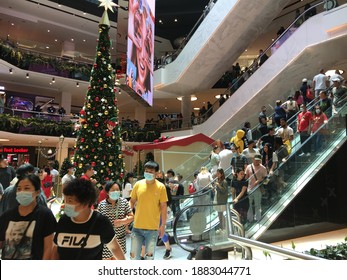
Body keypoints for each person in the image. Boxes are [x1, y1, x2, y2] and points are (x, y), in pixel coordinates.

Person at [51, 178, 125, 260]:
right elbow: (55, 249)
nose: (65, 204)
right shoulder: (64, 220)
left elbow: (114, 248)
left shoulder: (101, 222)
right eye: (65, 199)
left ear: (85, 203)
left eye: (70, 200)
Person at [0, 174, 56, 259]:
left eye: (27, 188)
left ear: (37, 192)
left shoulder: (45, 215)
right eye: (19, 189)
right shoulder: (7, 215)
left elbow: (48, 248)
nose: (22, 191)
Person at [129, 161, 168, 260]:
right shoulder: (138, 184)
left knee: (149, 258)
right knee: (134, 257)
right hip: (137, 227)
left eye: (151, 171)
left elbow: (164, 206)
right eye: (146, 171)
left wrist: (163, 225)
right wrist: (129, 214)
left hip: (152, 229)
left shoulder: (161, 187)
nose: (148, 173)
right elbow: (132, 200)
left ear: (156, 173)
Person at [98, 181, 133, 259]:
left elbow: (131, 216)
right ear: (107, 192)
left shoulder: (124, 202)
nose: (115, 192)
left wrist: (122, 221)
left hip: (120, 239)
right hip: (106, 241)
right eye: (113, 190)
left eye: (117, 189)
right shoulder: (101, 205)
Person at [245, 154, 267, 222]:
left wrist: (259, 180)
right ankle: (250, 219)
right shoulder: (249, 167)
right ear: (253, 159)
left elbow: (265, 178)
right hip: (250, 188)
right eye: (255, 160)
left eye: (258, 160)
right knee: (249, 204)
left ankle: (258, 218)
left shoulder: (263, 168)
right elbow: (246, 177)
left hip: (258, 188)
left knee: (257, 204)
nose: (256, 161)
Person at [214, 168, 228, 233]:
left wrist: (218, 185)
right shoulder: (218, 180)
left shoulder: (224, 181)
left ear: (222, 174)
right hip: (218, 199)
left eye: (218, 173)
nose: (217, 175)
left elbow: (224, 190)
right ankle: (221, 228)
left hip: (222, 200)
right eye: (217, 173)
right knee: (219, 214)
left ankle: (224, 228)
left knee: (221, 214)